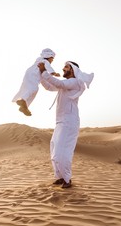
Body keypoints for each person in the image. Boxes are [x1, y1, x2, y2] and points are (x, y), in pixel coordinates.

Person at [38, 60, 94, 188]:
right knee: (54, 148)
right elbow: (49, 86)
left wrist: (44, 71)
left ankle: (67, 179)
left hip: (69, 122)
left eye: (66, 67)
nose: (63, 69)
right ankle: (60, 177)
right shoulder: (65, 85)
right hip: (60, 122)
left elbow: (57, 82)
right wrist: (40, 75)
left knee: (62, 152)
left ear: (72, 70)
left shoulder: (73, 82)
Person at [12, 48, 60, 116]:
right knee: (34, 88)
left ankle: (24, 106)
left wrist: (60, 87)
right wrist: (54, 73)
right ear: (49, 57)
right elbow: (49, 68)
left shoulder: (40, 63)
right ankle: (22, 100)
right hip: (33, 75)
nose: (52, 60)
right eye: (52, 58)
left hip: (29, 74)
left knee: (33, 90)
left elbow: (47, 84)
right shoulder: (44, 62)